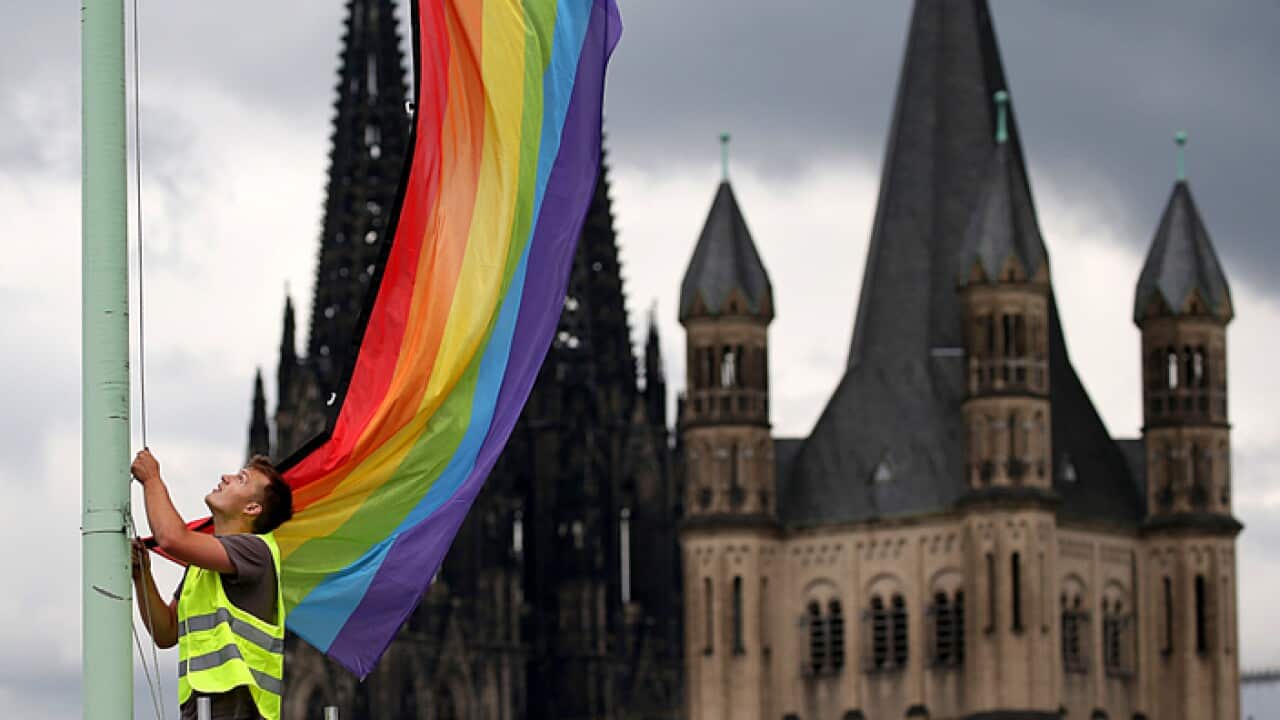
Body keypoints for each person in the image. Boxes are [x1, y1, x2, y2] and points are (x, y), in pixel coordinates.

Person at [130, 449, 294, 720]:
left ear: (252, 508)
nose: (225, 477)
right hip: (200, 707)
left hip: (239, 706)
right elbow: (166, 631)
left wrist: (153, 480)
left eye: (241, 478)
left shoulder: (256, 551)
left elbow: (172, 539)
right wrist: (142, 575)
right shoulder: (201, 565)